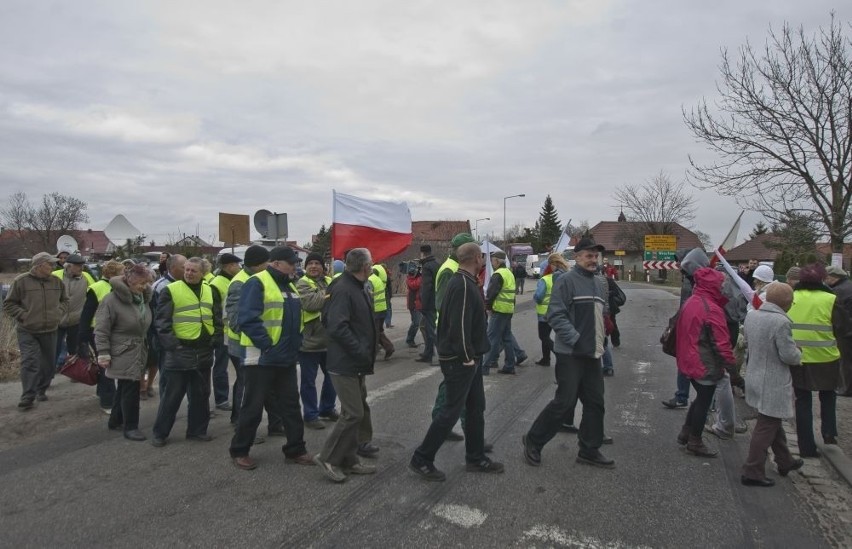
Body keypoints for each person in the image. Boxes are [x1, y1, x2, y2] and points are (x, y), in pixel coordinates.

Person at [409, 242, 503, 480]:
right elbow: (458, 325)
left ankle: (475, 457)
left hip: (469, 358)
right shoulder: (461, 284)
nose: (483, 260)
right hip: (460, 360)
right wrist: (466, 357)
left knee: (475, 408)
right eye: (481, 256)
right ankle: (422, 458)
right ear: (475, 258)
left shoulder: (467, 281)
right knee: (450, 412)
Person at [522, 238, 614, 469]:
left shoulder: (598, 283)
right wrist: (575, 339)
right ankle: (533, 440)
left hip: (592, 354)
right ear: (577, 258)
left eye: (596, 256)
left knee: (595, 402)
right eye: (589, 256)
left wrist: (603, 337)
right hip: (570, 354)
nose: (594, 260)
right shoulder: (566, 281)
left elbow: (599, 316)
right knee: (564, 402)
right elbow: (555, 315)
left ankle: (589, 449)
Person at [229, 246, 314, 470]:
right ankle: (240, 451)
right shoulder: (257, 282)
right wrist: (267, 345)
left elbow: (295, 319)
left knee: (291, 406)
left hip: (285, 357)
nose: (295, 265)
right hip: (260, 357)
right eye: (291, 262)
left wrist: (297, 342)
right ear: (276, 264)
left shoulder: (290, 285)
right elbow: (247, 319)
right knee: (252, 407)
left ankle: (296, 449)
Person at [314, 248, 378, 483]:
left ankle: (349, 459)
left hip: (356, 362)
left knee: (359, 411)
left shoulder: (357, 285)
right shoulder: (343, 288)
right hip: (345, 362)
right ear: (364, 266)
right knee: (353, 413)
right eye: (371, 263)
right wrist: (360, 350)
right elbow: (337, 326)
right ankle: (328, 457)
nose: (373, 266)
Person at [151, 257, 221, 447]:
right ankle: (160, 433)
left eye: (193, 270)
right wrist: (173, 345)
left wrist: (216, 338)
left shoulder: (210, 290)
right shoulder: (171, 290)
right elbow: (162, 323)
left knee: (201, 394)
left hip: (203, 350)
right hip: (180, 351)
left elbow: (216, 317)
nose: (189, 273)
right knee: (172, 396)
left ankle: (197, 431)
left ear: (203, 273)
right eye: (187, 269)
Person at [740, 282, 804, 487]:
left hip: (755, 374)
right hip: (773, 381)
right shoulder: (780, 322)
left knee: (772, 421)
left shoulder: (753, 315)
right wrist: (798, 352)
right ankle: (752, 469)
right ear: (787, 303)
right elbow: (788, 355)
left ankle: (785, 460)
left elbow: (749, 341)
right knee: (766, 426)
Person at [674, 267, 737, 458]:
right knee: (704, 399)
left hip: (689, 357)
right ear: (714, 285)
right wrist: (733, 371)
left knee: (701, 396)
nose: (725, 287)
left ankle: (686, 431)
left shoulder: (692, 301)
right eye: (722, 283)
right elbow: (721, 343)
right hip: (704, 361)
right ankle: (695, 440)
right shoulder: (711, 308)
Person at [788, 263, 846, 456]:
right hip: (825, 358)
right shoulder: (831, 299)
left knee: (802, 401)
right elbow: (842, 327)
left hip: (798, 357)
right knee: (828, 395)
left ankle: (806, 447)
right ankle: (829, 433)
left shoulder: (791, 297)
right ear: (822, 279)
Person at [96, 265, 154, 442]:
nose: (144, 287)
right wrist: (103, 353)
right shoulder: (111, 300)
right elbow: (102, 329)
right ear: (129, 281)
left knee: (124, 386)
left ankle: (115, 420)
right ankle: (131, 426)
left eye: (146, 283)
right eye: (141, 283)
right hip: (122, 349)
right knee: (131, 387)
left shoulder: (141, 299)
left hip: (138, 348)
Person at [3, 252, 68, 409]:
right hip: (28, 330)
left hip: (50, 329)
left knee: (48, 364)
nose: (53, 266)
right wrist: (24, 316)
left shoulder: (56, 282)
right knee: (30, 361)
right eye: (50, 264)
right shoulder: (21, 281)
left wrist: (58, 313)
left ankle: (41, 389)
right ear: (39, 265)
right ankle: (28, 395)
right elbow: (9, 304)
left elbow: (65, 300)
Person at [296, 252, 338, 430]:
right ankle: (311, 415)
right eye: (310, 263)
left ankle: (327, 408)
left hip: (331, 341)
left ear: (324, 267)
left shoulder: (330, 282)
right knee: (308, 382)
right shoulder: (302, 283)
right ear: (305, 267)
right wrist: (331, 295)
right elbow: (311, 303)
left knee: (333, 379)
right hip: (310, 342)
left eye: (317, 263)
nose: (314, 266)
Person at [78, 260, 125, 413]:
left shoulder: (119, 288)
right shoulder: (97, 288)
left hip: (114, 331)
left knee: (105, 364)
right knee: (106, 365)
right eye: (122, 272)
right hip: (97, 331)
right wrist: (83, 334)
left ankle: (103, 392)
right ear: (113, 274)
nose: (124, 275)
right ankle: (107, 401)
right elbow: (87, 312)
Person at [208, 253, 242, 411]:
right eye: (236, 264)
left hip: (232, 331)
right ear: (229, 266)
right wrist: (217, 332)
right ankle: (221, 399)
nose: (239, 267)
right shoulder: (217, 283)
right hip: (222, 331)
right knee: (221, 365)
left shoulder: (232, 280)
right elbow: (214, 311)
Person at [150, 254, 186, 396]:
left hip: (183, 339)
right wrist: (167, 341)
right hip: (165, 341)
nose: (186, 270)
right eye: (183, 267)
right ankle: (166, 410)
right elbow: (156, 318)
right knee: (167, 375)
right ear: (172, 268)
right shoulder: (160, 287)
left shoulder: (186, 284)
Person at [483, 251, 524, 375]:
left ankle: (485, 367)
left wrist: (488, 307)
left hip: (499, 310)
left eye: (492, 260)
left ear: (496, 261)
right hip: (508, 309)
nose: (491, 262)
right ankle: (509, 365)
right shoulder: (509, 273)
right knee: (506, 338)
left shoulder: (498, 274)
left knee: (492, 338)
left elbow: (491, 293)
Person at [53, 254, 90, 371]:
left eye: (82, 265)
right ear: (69, 266)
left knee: (77, 348)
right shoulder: (55, 276)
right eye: (78, 266)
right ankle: (48, 375)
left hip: (77, 319)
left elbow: (94, 294)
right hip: (57, 320)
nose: (81, 268)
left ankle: (78, 372)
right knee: (54, 348)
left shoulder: (87, 277)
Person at [533, 254, 571, 366]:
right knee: (546, 336)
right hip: (556, 311)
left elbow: (539, 296)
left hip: (544, 313)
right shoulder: (560, 276)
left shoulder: (544, 279)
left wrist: (536, 298)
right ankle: (546, 359)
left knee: (543, 336)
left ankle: (557, 354)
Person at [825, 265, 852, 396]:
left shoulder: (837, 291)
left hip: (845, 331)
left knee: (845, 361)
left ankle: (846, 388)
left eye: (826, 278)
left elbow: (837, 314)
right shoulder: (849, 286)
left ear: (833, 277)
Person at [416, 245, 439, 364]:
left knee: (430, 330)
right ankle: (428, 353)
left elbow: (426, 287)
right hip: (435, 300)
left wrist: (423, 304)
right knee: (425, 327)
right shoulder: (436, 263)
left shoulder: (426, 266)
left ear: (422, 253)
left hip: (429, 303)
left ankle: (439, 355)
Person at [367, 264, 394, 360]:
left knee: (374, 333)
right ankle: (388, 347)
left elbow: (368, 295)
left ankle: (373, 354)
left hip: (376, 310)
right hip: (381, 309)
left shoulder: (370, 280)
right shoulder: (376, 278)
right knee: (378, 331)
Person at [405, 262, 423, 348]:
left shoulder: (415, 277)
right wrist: (421, 277)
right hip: (414, 304)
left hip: (417, 303)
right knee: (416, 323)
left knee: (416, 323)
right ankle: (410, 339)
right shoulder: (410, 278)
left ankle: (410, 339)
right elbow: (414, 285)